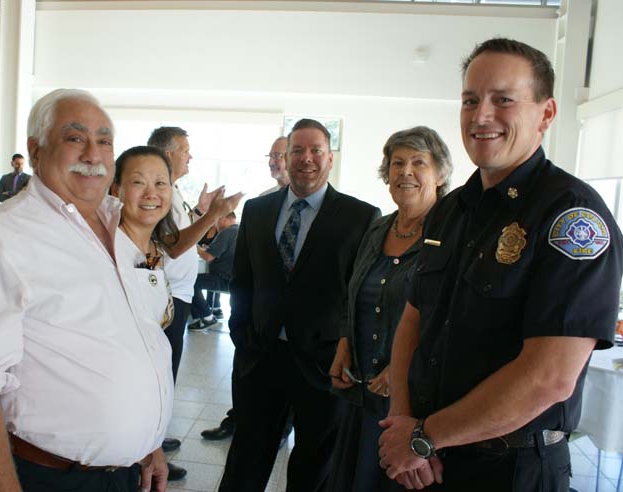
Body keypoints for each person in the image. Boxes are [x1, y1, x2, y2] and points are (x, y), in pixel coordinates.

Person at [378, 38, 623, 491]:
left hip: (509, 469)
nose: (481, 115)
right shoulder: (452, 211)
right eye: (470, 100)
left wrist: (423, 438)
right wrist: (402, 420)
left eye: (503, 100)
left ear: (546, 114)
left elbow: (549, 378)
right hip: (426, 460)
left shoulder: (572, 218)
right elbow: (414, 319)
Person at [0, 89, 172, 492]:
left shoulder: (117, 226)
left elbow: (131, 337)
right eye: (75, 138)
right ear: (36, 149)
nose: (94, 154)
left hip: (127, 472)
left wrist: (148, 442)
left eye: (104, 140)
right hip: (53, 478)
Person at [219, 119, 378, 492]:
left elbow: (361, 295)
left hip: (323, 364)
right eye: (297, 150)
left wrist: (349, 352)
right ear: (285, 157)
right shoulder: (257, 211)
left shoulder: (361, 217)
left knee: (314, 466)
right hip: (261, 357)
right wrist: (241, 335)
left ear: (329, 158)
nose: (306, 158)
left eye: (315, 150)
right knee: (246, 458)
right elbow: (242, 281)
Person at [327, 126, 453, 492]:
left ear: (440, 174)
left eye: (419, 163)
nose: (405, 171)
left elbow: (447, 317)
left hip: (413, 400)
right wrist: (345, 342)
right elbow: (354, 292)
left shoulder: (450, 234)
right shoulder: (377, 228)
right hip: (361, 391)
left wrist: (401, 368)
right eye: (397, 163)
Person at [147, 126, 243, 479]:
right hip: (167, 295)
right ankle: (149, 449)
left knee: (166, 375)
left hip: (180, 293)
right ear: (167, 152)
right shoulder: (161, 191)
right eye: (185, 150)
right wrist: (211, 214)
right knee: (160, 375)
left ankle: (154, 439)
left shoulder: (173, 192)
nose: (190, 156)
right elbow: (173, 245)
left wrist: (203, 211)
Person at [202, 135, 295, 443]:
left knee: (286, 378)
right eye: (271, 155)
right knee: (245, 370)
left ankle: (281, 427)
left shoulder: (325, 209)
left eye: (280, 155)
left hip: (295, 320)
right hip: (257, 311)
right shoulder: (263, 201)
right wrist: (239, 319)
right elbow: (246, 262)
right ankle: (237, 418)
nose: (274, 161)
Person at [112, 145, 179, 332]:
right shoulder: (107, 249)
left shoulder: (154, 248)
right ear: (116, 189)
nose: (151, 194)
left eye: (160, 183)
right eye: (138, 182)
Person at [189, 211, 238, 330]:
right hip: (233, 278)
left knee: (189, 282)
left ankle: (207, 318)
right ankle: (206, 313)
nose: (215, 224)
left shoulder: (226, 232)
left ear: (223, 218)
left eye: (216, 220)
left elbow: (208, 257)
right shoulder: (239, 230)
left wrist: (194, 246)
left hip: (223, 278)